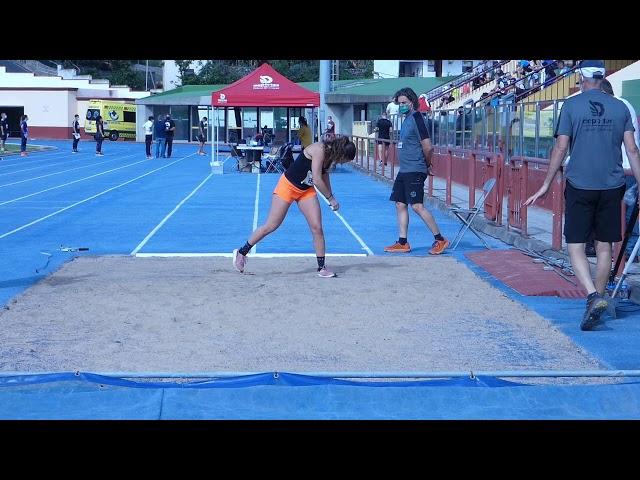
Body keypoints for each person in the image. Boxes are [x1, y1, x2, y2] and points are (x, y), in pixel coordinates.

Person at [524, 60, 640, 331]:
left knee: (575, 245)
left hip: (580, 184)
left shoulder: (572, 105)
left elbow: (560, 148)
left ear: (581, 78)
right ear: (602, 78)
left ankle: (592, 297)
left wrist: (545, 184)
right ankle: (597, 302)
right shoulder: (620, 107)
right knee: (604, 247)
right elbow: (633, 151)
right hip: (612, 184)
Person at [232, 135, 357, 278]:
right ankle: (241, 252)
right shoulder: (320, 150)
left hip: (305, 190)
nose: (343, 163)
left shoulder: (330, 157)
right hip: (288, 186)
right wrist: (330, 198)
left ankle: (321, 268)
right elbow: (316, 178)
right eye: (345, 160)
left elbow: (324, 176)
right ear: (341, 153)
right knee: (271, 225)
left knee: (317, 227)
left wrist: (331, 197)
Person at [384, 87, 449, 255]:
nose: (401, 106)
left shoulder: (417, 118)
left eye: (404, 103)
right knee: (400, 204)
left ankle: (440, 239)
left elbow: (428, 146)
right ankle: (403, 242)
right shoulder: (405, 120)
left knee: (417, 206)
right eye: (399, 103)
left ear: (412, 102)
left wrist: (427, 165)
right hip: (405, 169)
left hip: (415, 168)